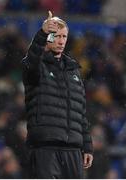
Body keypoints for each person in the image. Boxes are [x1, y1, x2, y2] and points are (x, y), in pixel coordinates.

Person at [21, 11, 93, 179]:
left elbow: (79, 111)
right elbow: (32, 61)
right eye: (56, 36)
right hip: (45, 148)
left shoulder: (73, 70)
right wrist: (42, 34)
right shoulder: (36, 66)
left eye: (64, 36)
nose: (61, 41)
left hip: (73, 150)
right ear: (49, 37)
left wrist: (87, 146)